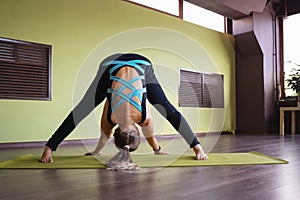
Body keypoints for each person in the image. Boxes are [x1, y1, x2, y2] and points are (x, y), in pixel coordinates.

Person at [39, 53, 208, 163]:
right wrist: (96, 151)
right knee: (83, 108)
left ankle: (197, 146)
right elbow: (103, 134)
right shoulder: (110, 120)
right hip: (110, 66)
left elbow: (152, 134)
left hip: (141, 65)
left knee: (166, 108)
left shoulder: (143, 119)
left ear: (139, 132)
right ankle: (50, 146)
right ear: (115, 133)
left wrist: (194, 148)